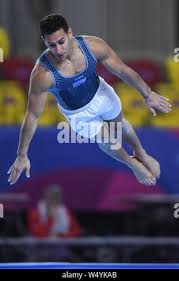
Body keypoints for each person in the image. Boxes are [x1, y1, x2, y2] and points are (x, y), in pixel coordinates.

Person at [7, 13, 171, 186]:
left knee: (119, 124)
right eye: (51, 45)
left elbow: (122, 70)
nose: (59, 50)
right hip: (77, 112)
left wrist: (148, 94)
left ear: (70, 33)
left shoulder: (92, 46)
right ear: (44, 41)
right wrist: (21, 155)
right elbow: (32, 116)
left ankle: (140, 152)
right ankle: (133, 164)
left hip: (100, 92)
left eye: (61, 42)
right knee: (107, 138)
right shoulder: (43, 74)